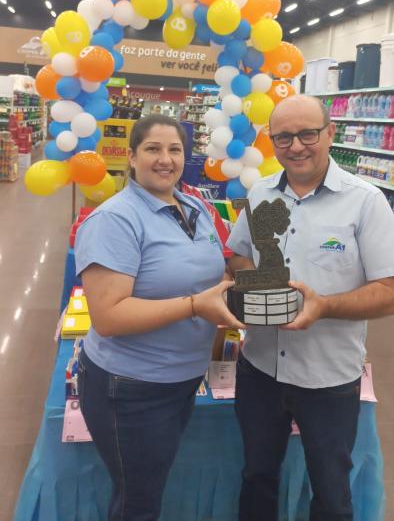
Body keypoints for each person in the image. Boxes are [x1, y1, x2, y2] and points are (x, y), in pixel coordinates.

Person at [227, 94, 394, 521]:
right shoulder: (261, 192)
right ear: (271, 141)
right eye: (283, 137)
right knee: (256, 475)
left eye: (307, 134)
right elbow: (239, 254)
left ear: (330, 133)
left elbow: (389, 289)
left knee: (331, 490)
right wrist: (255, 284)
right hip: (260, 368)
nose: (296, 146)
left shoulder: (365, 201)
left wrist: (324, 306)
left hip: (328, 378)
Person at [75, 114, 242, 521]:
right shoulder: (114, 219)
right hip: (131, 388)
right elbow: (109, 317)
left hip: (182, 378)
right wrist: (195, 305)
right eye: (153, 149)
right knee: (138, 501)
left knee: (148, 485)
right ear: (131, 157)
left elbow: (215, 269)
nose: (165, 159)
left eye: (175, 150)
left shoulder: (194, 205)